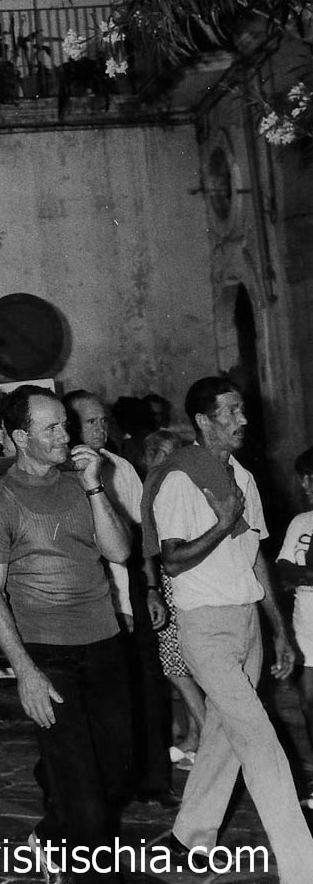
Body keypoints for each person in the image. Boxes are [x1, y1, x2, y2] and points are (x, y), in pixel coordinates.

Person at [143, 376, 313, 881]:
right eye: (232, 411)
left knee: (223, 731)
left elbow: (255, 553)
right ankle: (302, 864)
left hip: (247, 622)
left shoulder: (241, 475)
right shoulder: (180, 479)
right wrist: (221, 523)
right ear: (203, 420)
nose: (243, 420)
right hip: (205, 626)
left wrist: (278, 630)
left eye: (242, 410)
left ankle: (188, 836)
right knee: (259, 738)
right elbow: (172, 560)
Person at [0, 386, 131, 879]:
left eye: (66, 424)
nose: (67, 434)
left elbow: (120, 551)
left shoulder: (79, 483)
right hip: (47, 652)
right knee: (85, 797)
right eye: (53, 427)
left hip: (104, 641)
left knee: (117, 768)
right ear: (21, 437)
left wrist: (94, 486)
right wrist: (25, 673)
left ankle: (50, 837)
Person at [63, 390, 174, 809]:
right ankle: (105, 784)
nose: (100, 428)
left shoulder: (120, 467)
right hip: (86, 593)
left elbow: (142, 535)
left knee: (145, 682)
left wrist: (150, 589)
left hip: (130, 587)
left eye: (102, 421)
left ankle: (153, 780)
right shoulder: (60, 472)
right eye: (90, 422)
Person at [139, 429, 205, 774]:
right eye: (163, 454)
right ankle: (194, 738)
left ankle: (209, 738)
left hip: (176, 582)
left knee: (175, 667)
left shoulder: (168, 487)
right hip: (175, 581)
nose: (168, 461)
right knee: (183, 665)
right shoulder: (159, 486)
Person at [275, 446, 313, 808]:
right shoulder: (301, 522)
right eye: (303, 479)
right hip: (306, 628)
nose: (306, 486)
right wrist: (305, 574)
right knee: (309, 702)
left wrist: (302, 575)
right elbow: (284, 568)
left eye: (311, 478)